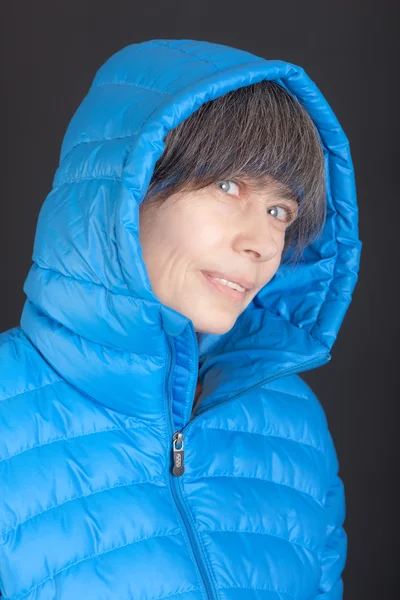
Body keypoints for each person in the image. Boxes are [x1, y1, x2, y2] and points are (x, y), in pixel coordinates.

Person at [0, 38, 362, 599]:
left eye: (279, 210)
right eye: (227, 185)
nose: (263, 243)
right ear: (125, 185)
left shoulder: (293, 421)